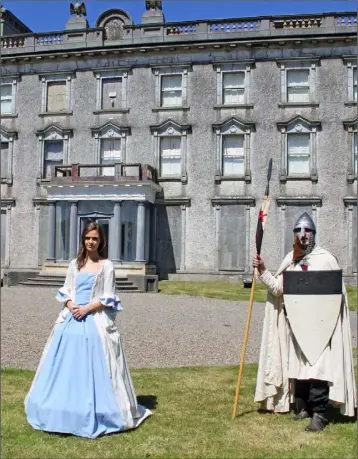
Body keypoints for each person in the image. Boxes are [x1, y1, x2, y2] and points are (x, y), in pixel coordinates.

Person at [25, 222, 151, 439]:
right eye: (87, 238)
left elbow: (108, 296)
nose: (91, 242)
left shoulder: (107, 265)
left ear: (101, 242)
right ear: (83, 240)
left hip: (94, 319)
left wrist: (87, 309)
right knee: (63, 358)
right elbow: (66, 290)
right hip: (72, 317)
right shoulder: (75, 264)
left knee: (97, 359)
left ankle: (100, 408)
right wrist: (71, 305)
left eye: (95, 238)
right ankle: (60, 407)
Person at [253, 212, 356, 432]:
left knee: (318, 370)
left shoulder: (326, 259)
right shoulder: (291, 260)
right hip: (298, 327)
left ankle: (320, 414)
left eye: (307, 230)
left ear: (314, 234)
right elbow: (278, 288)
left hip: (321, 328)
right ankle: (304, 408)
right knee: (299, 368)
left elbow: (335, 295)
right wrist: (262, 270)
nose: (303, 235)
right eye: (299, 231)